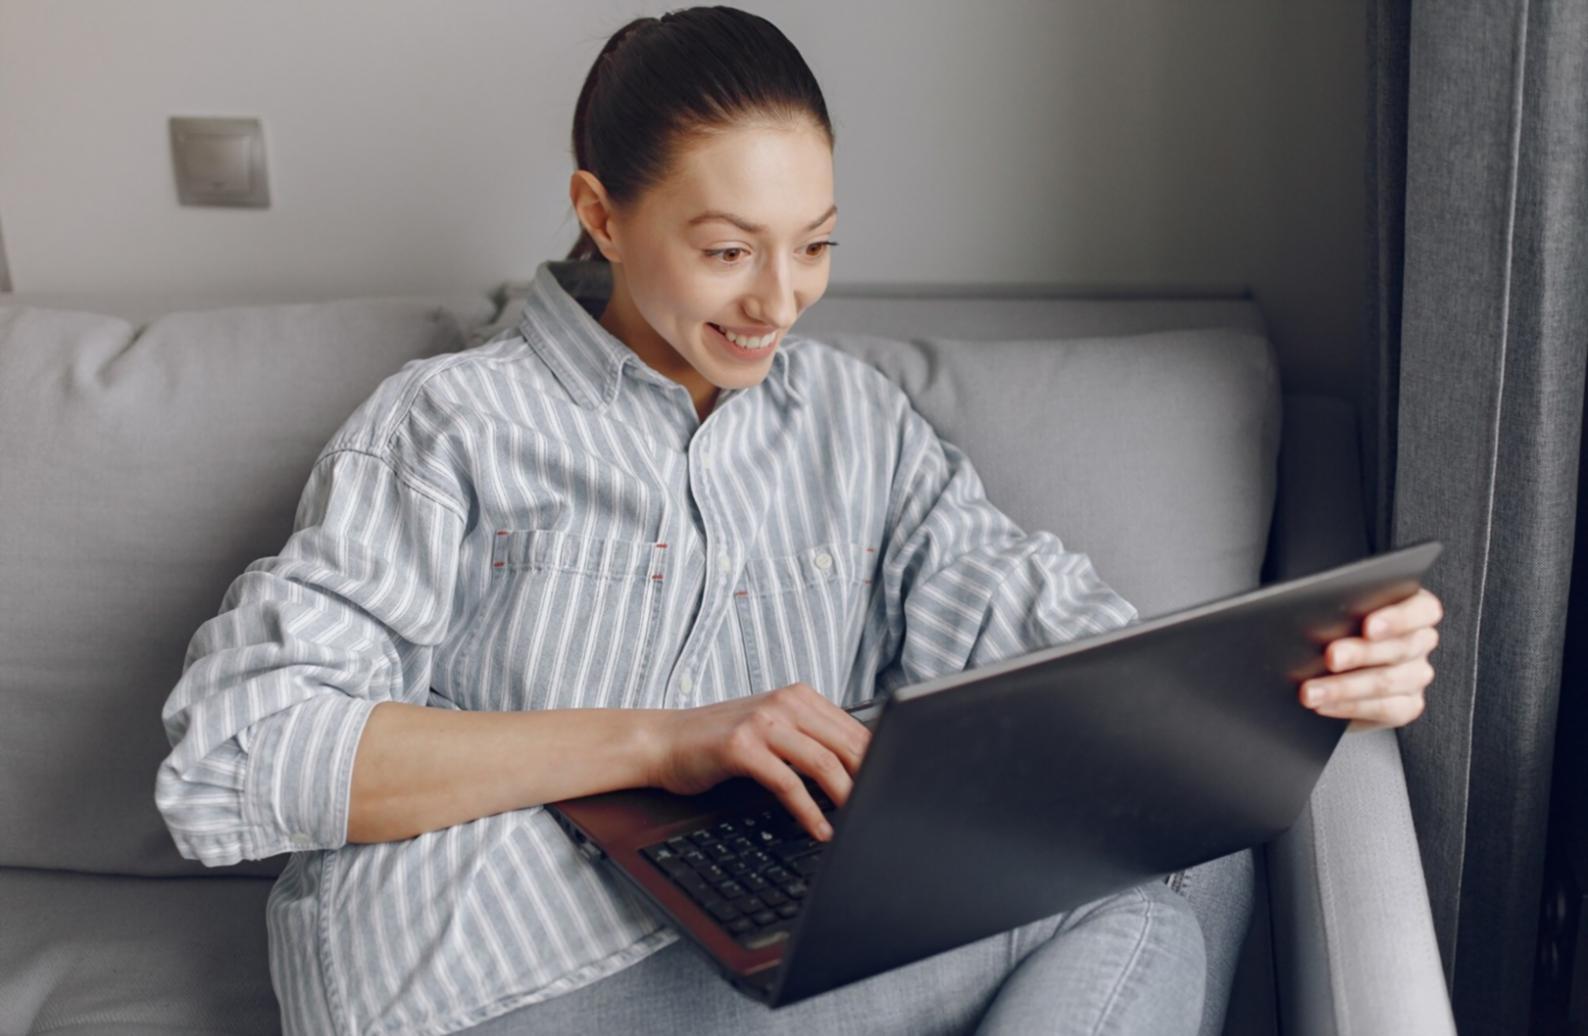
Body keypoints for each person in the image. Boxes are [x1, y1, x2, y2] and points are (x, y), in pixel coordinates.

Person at [154, 7, 1445, 1035]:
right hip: (481, 979)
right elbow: (230, 762)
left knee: (1189, 847)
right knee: (1165, 887)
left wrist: (1319, 666)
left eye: (814, 245)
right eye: (728, 251)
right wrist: (661, 742)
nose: (780, 302)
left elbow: (1071, 659)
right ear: (601, 214)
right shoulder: (452, 427)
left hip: (766, 949)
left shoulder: (850, 426)